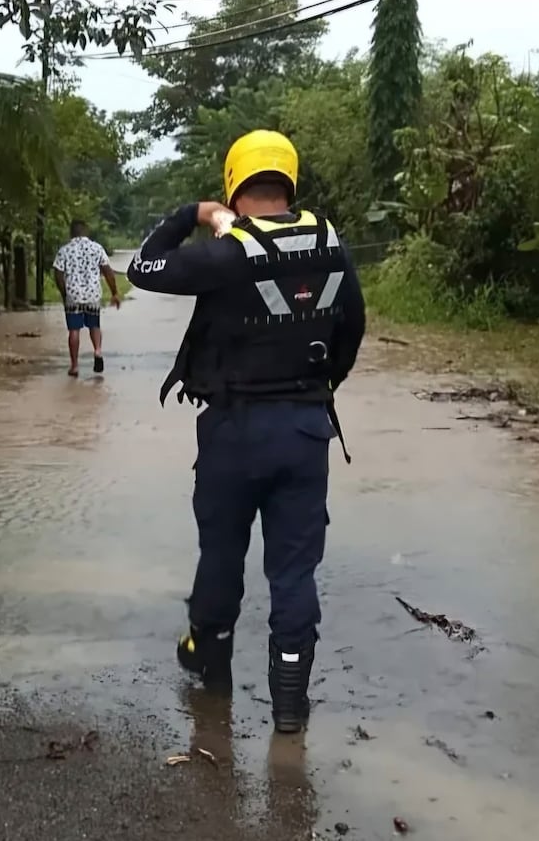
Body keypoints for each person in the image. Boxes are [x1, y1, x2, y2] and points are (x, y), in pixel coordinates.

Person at [125, 130, 366, 734]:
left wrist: (194, 213)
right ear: (290, 179)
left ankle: (213, 674)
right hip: (306, 430)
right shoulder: (331, 244)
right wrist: (311, 393)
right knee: (294, 573)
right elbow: (350, 334)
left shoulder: (226, 251)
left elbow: (143, 267)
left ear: (235, 181)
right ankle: (289, 707)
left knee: (221, 555)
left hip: (232, 434)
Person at [53, 220, 121, 377]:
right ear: (86, 232)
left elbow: (58, 274)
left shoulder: (64, 250)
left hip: (73, 295)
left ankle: (75, 366)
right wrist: (114, 293)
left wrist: (64, 294)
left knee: (74, 330)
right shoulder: (96, 248)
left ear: (71, 233)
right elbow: (108, 271)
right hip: (93, 294)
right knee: (94, 325)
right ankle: (97, 351)